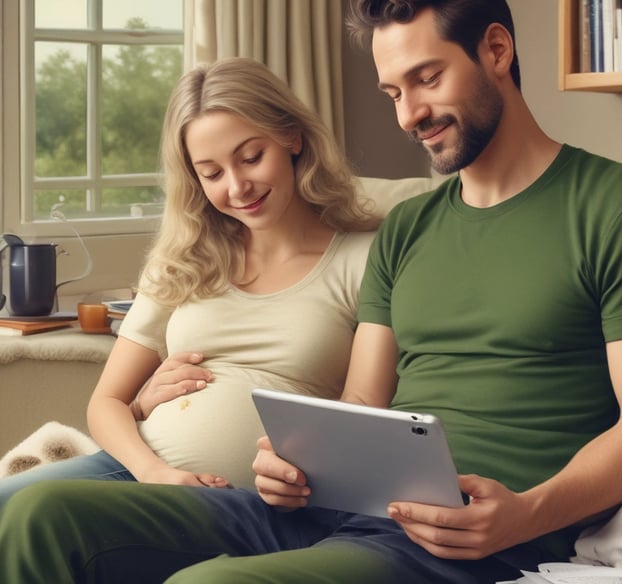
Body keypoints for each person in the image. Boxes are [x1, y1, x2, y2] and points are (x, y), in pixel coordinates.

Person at [0, 2, 622, 582]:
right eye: (394, 92)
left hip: (467, 533)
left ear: (498, 50)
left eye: (427, 79)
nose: (409, 114)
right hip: (332, 508)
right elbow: (361, 403)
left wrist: (530, 512)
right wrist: (289, 461)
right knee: (39, 516)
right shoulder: (409, 227)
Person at [0, 56, 377, 505]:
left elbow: (367, 412)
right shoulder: (184, 259)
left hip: (250, 502)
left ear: (292, 137)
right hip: (135, 468)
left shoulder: (366, 256)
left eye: (251, 157)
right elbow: (107, 403)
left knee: (36, 511)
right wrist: (152, 469)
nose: (237, 187)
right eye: (212, 173)